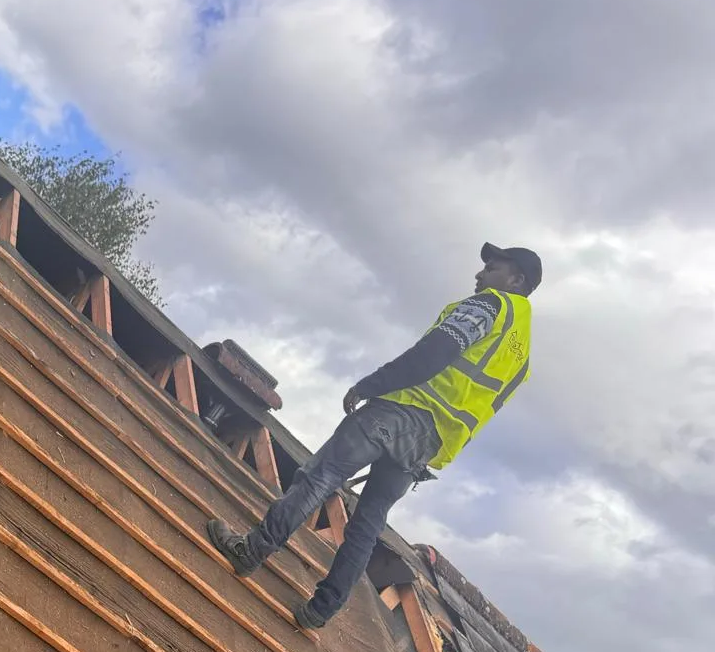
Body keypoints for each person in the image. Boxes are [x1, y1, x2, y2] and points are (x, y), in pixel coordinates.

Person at [208, 243, 540, 629]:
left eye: (492, 268)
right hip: (428, 446)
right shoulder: (522, 358)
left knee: (321, 476)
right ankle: (322, 609)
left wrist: (371, 384)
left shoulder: (491, 306)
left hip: (400, 411)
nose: (480, 275)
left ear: (516, 279)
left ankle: (251, 550)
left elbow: (432, 354)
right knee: (368, 522)